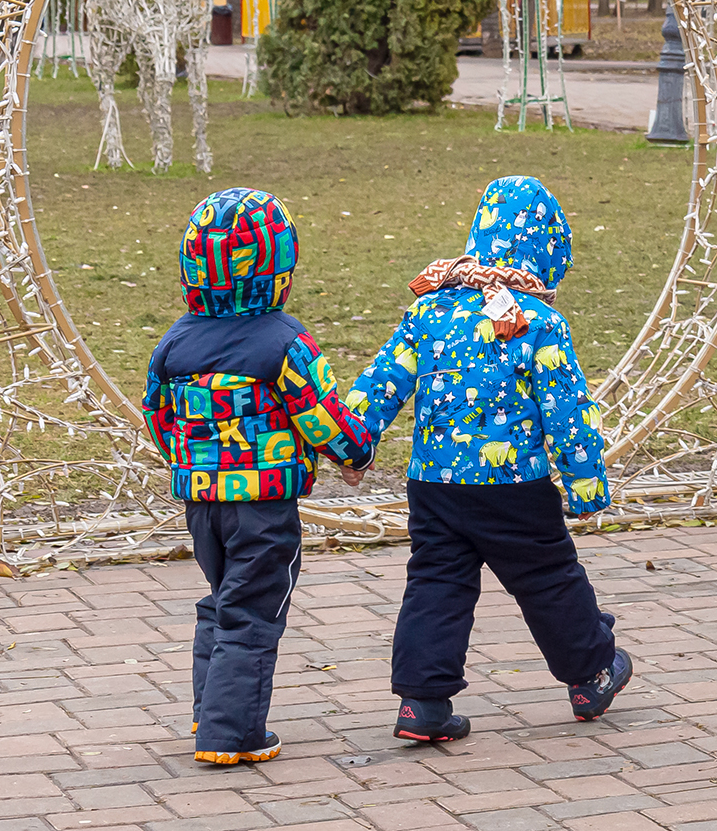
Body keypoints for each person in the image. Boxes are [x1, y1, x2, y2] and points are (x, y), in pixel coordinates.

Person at [345, 175, 630, 744]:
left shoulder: (428, 313)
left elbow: (383, 380)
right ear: (549, 249)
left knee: (435, 582)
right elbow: (568, 412)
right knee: (548, 577)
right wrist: (586, 487)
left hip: (433, 484)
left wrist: (353, 437)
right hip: (514, 488)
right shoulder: (539, 323)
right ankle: (591, 672)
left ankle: (422, 704)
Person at [143, 188, 377, 767]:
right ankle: (230, 733)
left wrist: (187, 458)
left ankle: (210, 705)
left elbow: (156, 411)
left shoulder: (175, 341)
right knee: (256, 607)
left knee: (223, 598)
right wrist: (356, 452)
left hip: (203, 504)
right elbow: (320, 414)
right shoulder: (285, 342)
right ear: (280, 268)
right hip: (264, 506)